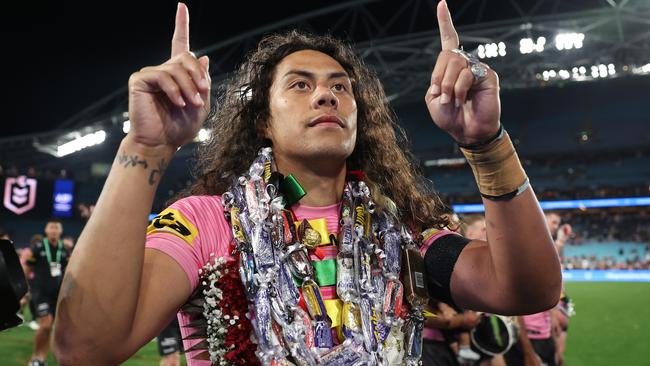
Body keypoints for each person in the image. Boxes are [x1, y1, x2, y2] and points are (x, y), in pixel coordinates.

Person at [53, 2, 561, 365]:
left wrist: (487, 142)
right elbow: (86, 348)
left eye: (341, 87)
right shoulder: (208, 222)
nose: (326, 96)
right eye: (300, 85)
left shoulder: (401, 228)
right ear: (262, 123)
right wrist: (147, 147)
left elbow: (530, 288)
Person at [25, 218, 69, 366]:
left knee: (49, 327)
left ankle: (41, 359)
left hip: (57, 293)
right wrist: (24, 286)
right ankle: (34, 357)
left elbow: (67, 270)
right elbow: (28, 266)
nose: (54, 230)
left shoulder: (63, 249)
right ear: (46, 230)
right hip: (40, 291)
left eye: (57, 228)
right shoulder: (38, 247)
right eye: (52, 227)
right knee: (45, 324)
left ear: (60, 231)